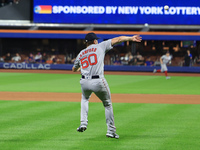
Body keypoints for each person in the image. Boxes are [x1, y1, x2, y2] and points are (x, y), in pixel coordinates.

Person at [72, 32, 142, 139]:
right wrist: (131, 38)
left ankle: (83, 123)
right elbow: (118, 39)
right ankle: (111, 131)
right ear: (95, 41)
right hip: (98, 81)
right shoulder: (100, 46)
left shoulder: (81, 53)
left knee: (85, 99)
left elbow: (74, 69)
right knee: (107, 104)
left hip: (84, 81)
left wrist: (81, 68)